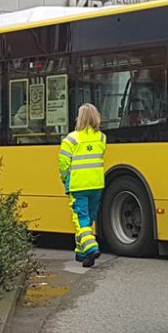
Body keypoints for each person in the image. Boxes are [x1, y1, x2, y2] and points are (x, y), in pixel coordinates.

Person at [59, 104, 107, 267]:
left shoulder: (70, 139)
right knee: (89, 219)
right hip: (97, 184)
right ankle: (83, 254)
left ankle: (91, 247)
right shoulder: (101, 138)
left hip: (79, 186)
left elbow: (64, 164)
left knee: (81, 219)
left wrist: (65, 179)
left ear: (79, 118)